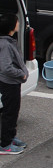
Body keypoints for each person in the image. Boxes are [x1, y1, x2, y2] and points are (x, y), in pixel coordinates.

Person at [0, 14, 28, 156]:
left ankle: (11, 137)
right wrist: (21, 74)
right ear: (11, 26)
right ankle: (5, 144)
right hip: (9, 82)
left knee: (13, 111)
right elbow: (6, 67)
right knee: (9, 113)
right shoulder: (5, 44)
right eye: (17, 21)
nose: (19, 23)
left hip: (12, 82)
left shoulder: (8, 41)